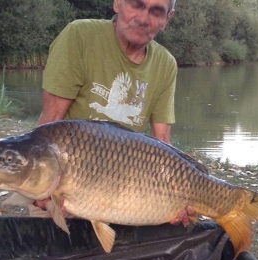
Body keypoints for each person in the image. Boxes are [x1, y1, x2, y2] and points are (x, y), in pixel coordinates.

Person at [35, 0, 194, 225]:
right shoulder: (79, 36)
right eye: (137, 5)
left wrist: (178, 193)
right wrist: (44, 186)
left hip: (125, 186)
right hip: (70, 176)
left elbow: (163, 141)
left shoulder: (165, 63)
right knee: (51, 249)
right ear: (118, 3)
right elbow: (50, 121)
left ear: (167, 19)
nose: (143, 18)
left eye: (156, 11)